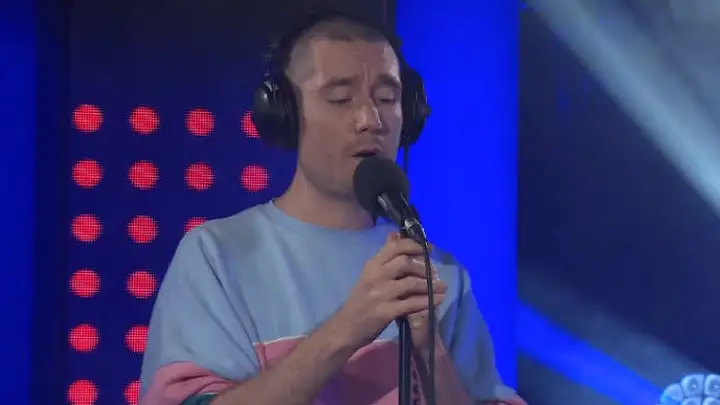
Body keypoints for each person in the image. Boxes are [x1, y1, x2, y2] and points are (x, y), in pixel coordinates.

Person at [139, 11, 526, 405]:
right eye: (341, 99)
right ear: (285, 115)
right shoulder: (217, 256)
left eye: (387, 99)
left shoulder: (437, 274)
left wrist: (433, 352)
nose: (370, 120)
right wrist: (348, 327)